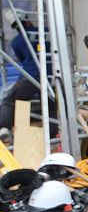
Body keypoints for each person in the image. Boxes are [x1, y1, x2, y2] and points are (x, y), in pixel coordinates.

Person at [0, 9, 55, 143]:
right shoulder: (46, 32)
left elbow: (23, 60)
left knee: (9, 99)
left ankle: (4, 128)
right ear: (27, 20)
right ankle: (52, 133)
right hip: (51, 76)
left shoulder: (16, 42)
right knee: (49, 102)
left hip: (30, 78)